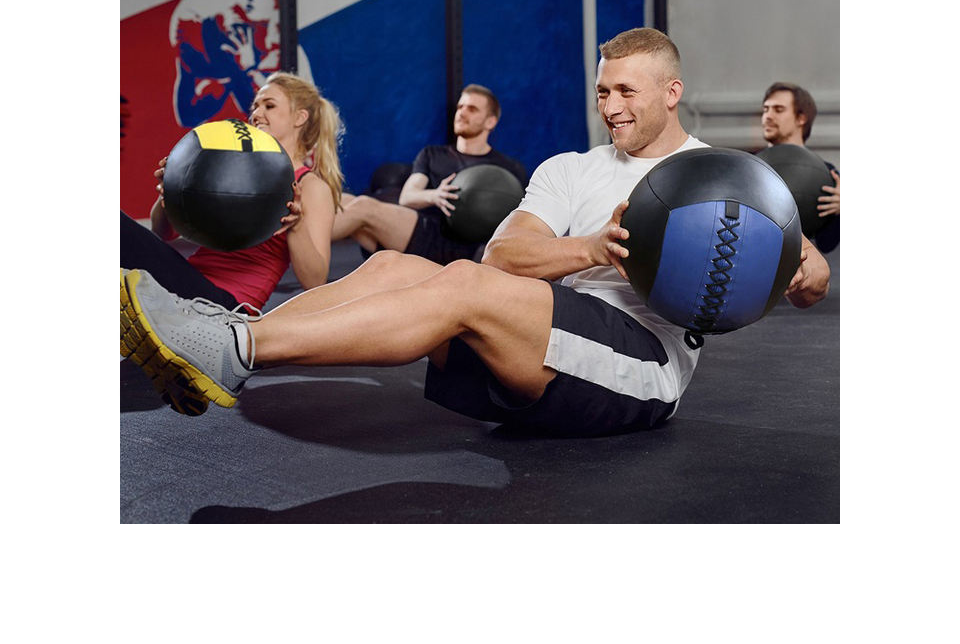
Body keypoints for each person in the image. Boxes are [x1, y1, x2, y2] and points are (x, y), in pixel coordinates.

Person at [121, 28, 830, 434]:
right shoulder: (571, 168)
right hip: (542, 333)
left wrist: (811, 274)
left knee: (462, 284)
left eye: (626, 91)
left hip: (638, 367)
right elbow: (505, 253)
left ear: (671, 93)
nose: (611, 106)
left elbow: (800, 272)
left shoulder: (717, 178)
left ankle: (230, 349)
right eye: (602, 91)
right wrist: (589, 248)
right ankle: (228, 338)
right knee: (394, 268)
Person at [120, 71, 345, 315]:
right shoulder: (237, 164)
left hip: (226, 306)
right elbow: (163, 232)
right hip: (191, 281)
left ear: (300, 117)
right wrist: (170, 192)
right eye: (255, 106)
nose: (256, 114)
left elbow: (314, 281)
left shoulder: (310, 186)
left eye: (269, 106)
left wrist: (297, 225)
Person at [331, 84, 527, 265]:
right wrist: (434, 195)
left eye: (472, 109)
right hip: (423, 230)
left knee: (363, 207)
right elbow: (407, 197)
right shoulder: (432, 154)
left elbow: (521, 223)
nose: (462, 113)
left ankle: (312, 253)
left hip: (457, 246)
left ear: (490, 121)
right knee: (343, 200)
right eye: (460, 107)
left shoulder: (507, 169)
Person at [761, 82, 840, 253]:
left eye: (778, 110)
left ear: (801, 118)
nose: (767, 116)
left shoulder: (829, 176)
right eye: (766, 109)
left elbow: (827, 245)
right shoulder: (747, 166)